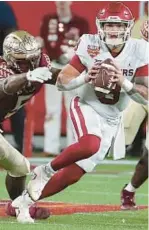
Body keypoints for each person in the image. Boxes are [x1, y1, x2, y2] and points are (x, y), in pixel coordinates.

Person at [11, 2, 148, 223]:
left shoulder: (139, 49)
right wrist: (85, 77)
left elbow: (145, 95)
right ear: (99, 26)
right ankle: (44, 171)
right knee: (90, 143)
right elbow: (63, 82)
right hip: (86, 103)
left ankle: (24, 202)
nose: (113, 31)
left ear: (127, 27)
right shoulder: (90, 44)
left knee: (74, 174)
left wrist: (124, 82)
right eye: (108, 25)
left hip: (112, 117)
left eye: (118, 26)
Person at [0, 30, 60, 220]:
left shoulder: (40, 63)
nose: (30, 64)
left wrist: (86, 77)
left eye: (32, 59)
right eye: (22, 61)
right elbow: (6, 85)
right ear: (9, 59)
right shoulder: (4, 69)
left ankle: (19, 205)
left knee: (20, 167)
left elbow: (59, 77)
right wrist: (27, 76)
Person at [38, 1, 89, 156]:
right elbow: (42, 41)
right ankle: (50, 148)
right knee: (52, 109)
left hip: (73, 68)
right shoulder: (48, 20)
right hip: (53, 66)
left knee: (73, 107)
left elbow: (86, 45)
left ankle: (73, 147)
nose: (61, 2)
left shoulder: (81, 23)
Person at [120, 19, 149, 210]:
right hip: (142, 97)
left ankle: (129, 190)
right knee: (123, 136)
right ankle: (129, 189)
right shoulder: (140, 51)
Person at [123, 2, 148, 156]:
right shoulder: (140, 24)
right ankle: (130, 145)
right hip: (142, 76)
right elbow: (131, 50)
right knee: (132, 112)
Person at [0, 1, 25, 153]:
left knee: (14, 102)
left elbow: (11, 35)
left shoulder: (3, 8)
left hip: (5, 62)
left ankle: (21, 145)